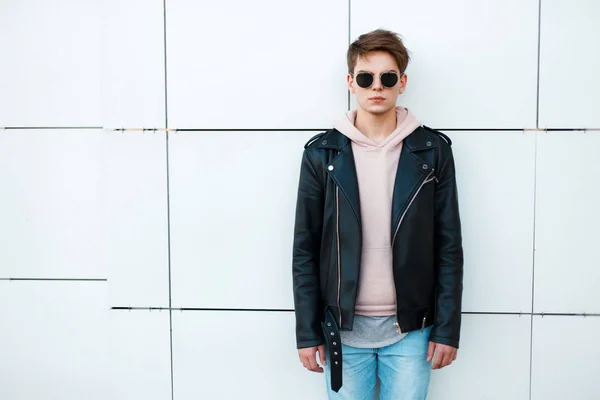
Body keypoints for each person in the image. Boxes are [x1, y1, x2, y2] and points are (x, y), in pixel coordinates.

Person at [292, 29, 464, 399]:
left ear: (401, 83)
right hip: (342, 330)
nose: (377, 87)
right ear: (351, 82)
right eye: (366, 78)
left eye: (387, 78)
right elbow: (304, 249)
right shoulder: (322, 154)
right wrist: (307, 332)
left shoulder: (432, 151)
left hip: (411, 331)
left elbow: (448, 245)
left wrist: (447, 329)